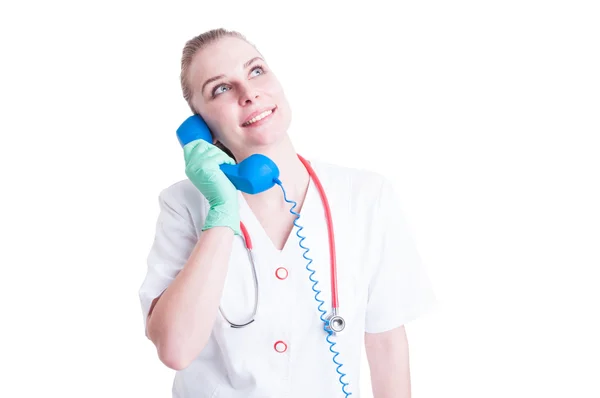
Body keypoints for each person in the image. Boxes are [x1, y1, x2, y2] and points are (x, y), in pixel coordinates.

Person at [138, 28, 437, 398]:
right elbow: (176, 349)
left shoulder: (365, 197)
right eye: (221, 88)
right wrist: (221, 210)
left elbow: (387, 345)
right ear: (200, 127)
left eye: (256, 71)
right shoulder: (183, 205)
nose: (249, 94)